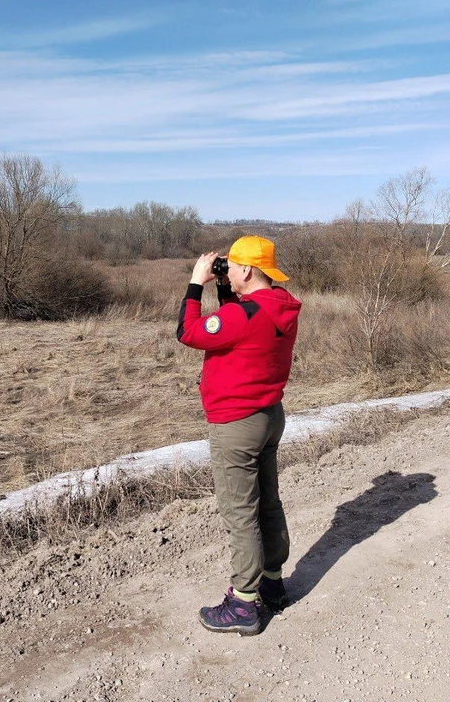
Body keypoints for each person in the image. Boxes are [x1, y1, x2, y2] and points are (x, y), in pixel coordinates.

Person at [176, 235, 302, 635]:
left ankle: (244, 603)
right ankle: (273, 583)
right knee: (268, 502)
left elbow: (189, 332)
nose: (225, 269)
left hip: (237, 425)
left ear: (247, 269)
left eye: (231, 265)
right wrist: (228, 289)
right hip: (269, 415)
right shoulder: (280, 307)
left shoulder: (246, 314)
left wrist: (197, 283)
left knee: (240, 512)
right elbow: (242, 320)